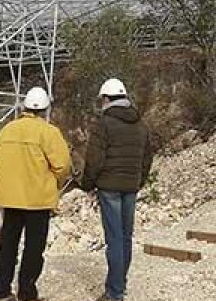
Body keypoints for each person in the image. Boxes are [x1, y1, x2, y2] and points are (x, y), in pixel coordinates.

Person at [0, 86, 71, 301]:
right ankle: (27, 292)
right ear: (45, 109)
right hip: (38, 200)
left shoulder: (8, 129)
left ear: (24, 107)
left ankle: (2, 291)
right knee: (34, 248)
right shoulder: (49, 132)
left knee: (8, 246)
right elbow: (62, 165)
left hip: (11, 199)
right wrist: (54, 181)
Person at [79, 77, 154, 301]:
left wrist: (87, 184)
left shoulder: (103, 124)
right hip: (130, 186)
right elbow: (147, 158)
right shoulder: (140, 124)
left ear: (106, 98)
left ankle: (115, 291)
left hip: (109, 187)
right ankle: (120, 284)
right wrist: (138, 181)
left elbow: (94, 159)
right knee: (126, 237)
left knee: (114, 239)